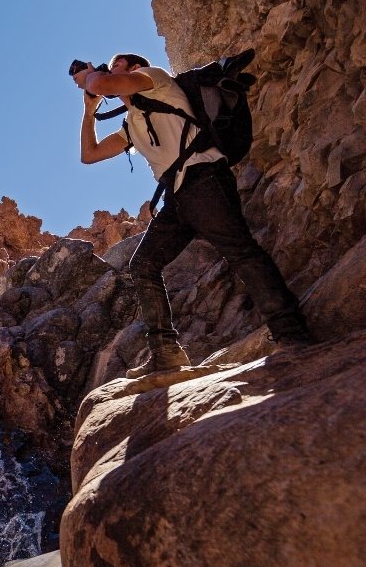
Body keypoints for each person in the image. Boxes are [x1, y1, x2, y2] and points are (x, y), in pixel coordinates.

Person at [72, 53, 311, 378]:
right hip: (179, 196)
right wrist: (89, 111)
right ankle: (165, 353)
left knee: (241, 253)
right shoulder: (132, 123)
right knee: (143, 264)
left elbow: (104, 84)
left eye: (116, 66)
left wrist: (90, 77)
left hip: (205, 179)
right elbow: (90, 154)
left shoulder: (154, 79)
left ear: (134, 69)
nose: (109, 71)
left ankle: (292, 334)